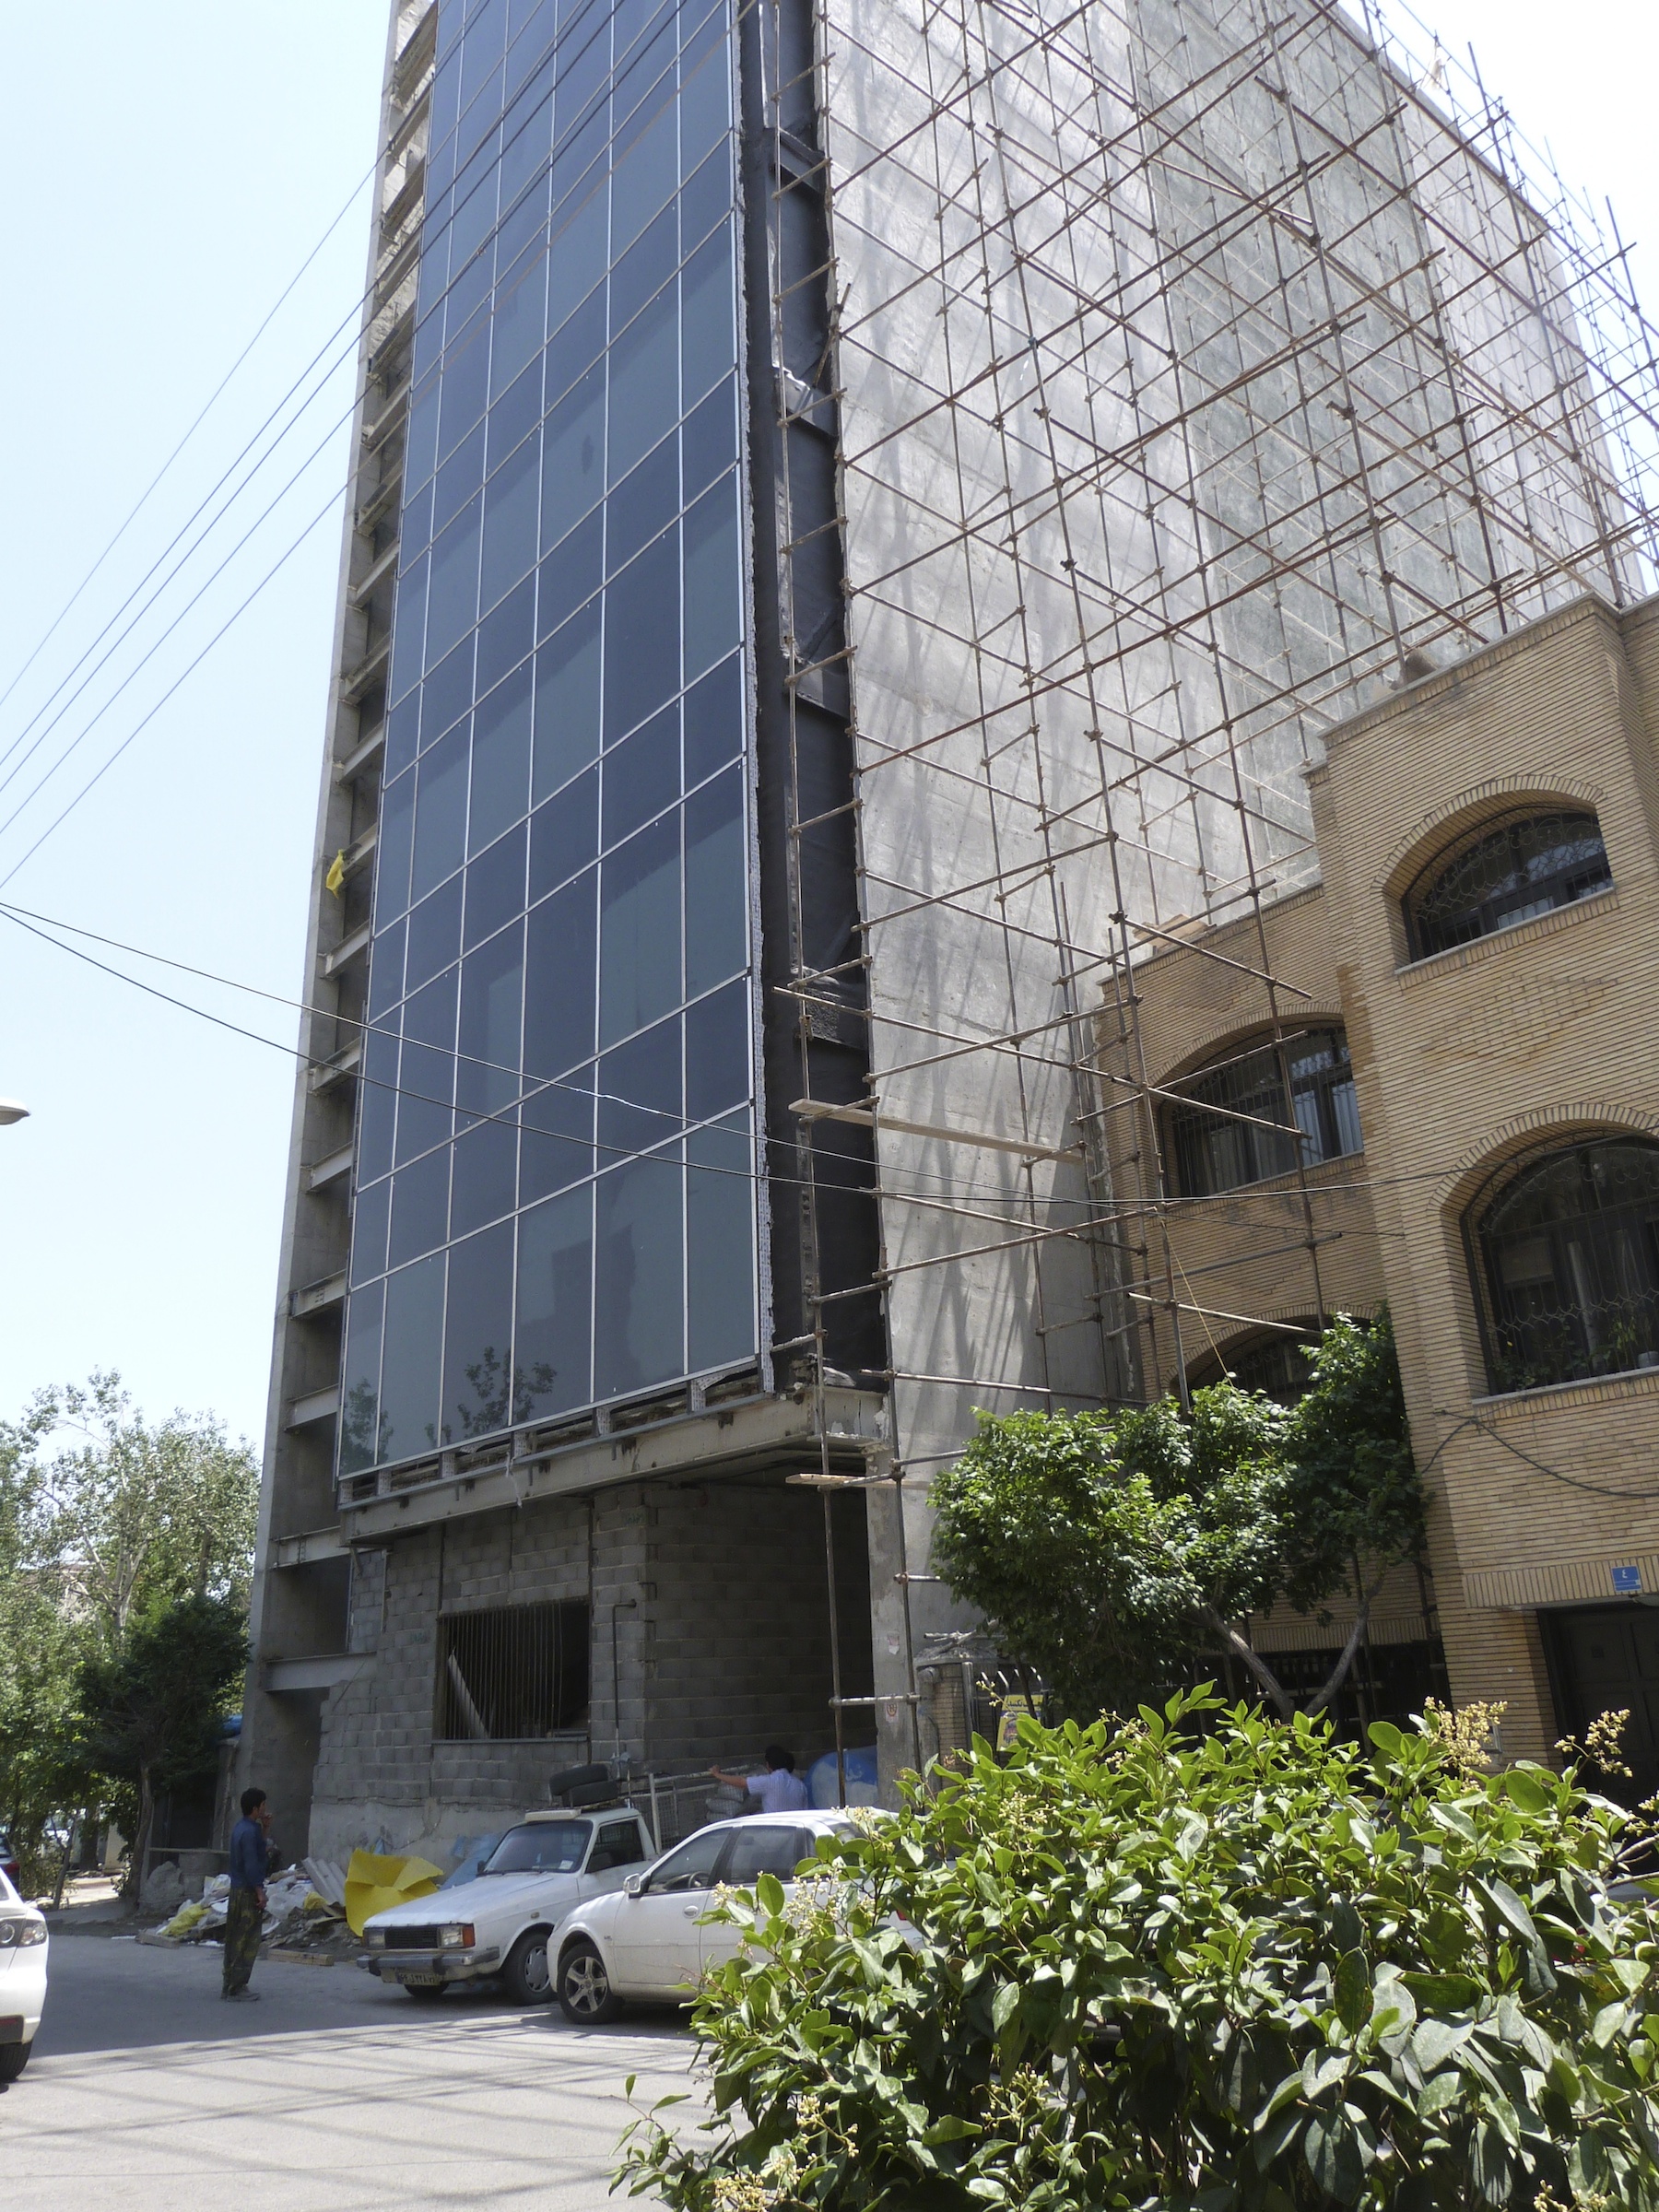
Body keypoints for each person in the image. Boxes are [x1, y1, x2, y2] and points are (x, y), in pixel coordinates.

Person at [222, 1786, 272, 2002]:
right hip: (247, 1892)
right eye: (263, 1805)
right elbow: (252, 1864)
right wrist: (260, 1892)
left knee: (234, 1938)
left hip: (237, 1890)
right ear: (255, 1808)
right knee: (246, 1940)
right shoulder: (250, 1832)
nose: (265, 1808)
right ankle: (237, 1986)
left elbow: (258, 1851)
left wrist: (265, 1828)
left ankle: (229, 1984)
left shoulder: (243, 1828)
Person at [709, 1745, 809, 1815]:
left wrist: (717, 1774)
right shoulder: (800, 1785)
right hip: (796, 1834)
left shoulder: (769, 1781)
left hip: (774, 1833)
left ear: (768, 1765)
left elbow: (740, 1782)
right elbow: (805, 1812)